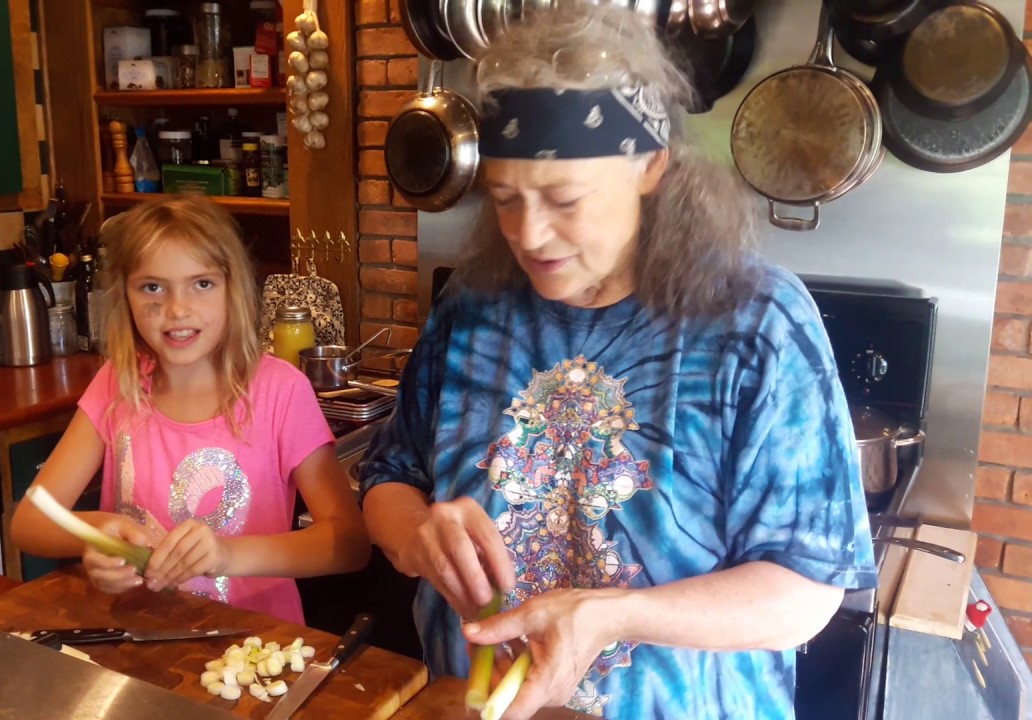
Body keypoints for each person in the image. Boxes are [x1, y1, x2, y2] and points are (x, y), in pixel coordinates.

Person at [359, 7, 875, 720]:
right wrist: (418, 534)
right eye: (506, 200)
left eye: (565, 200)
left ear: (651, 166)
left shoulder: (754, 323)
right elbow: (389, 478)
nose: (529, 234)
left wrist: (612, 615)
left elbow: (807, 590)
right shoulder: (473, 310)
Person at [12, 195, 369, 624]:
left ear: (233, 288)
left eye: (201, 284)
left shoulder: (281, 391)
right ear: (124, 295)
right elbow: (29, 521)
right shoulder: (117, 382)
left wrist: (227, 555)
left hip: (255, 648)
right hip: (136, 636)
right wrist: (95, 536)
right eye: (152, 287)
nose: (176, 309)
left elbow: (349, 543)